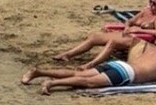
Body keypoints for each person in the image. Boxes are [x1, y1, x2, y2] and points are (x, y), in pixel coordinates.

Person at [21, 37, 156, 94]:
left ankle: (39, 72)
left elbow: (131, 43)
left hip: (119, 64)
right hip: (127, 73)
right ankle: (51, 84)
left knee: (77, 74)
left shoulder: (150, 47)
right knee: (88, 82)